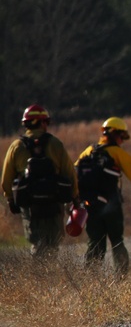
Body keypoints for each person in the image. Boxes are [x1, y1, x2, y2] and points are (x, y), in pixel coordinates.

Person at [76, 117, 131, 278]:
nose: (122, 141)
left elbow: (74, 175)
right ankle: (121, 278)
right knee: (117, 241)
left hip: (90, 205)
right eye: (121, 137)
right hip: (112, 206)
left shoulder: (88, 152)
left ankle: (91, 279)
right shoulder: (118, 153)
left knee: (95, 242)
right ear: (115, 134)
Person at [1, 104, 80, 259]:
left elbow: (6, 178)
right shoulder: (55, 144)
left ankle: (38, 276)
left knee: (36, 241)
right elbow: (69, 173)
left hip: (29, 203)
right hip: (54, 201)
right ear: (42, 122)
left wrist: (10, 198)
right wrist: (75, 198)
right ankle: (48, 275)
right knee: (53, 242)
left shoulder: (16, 146)